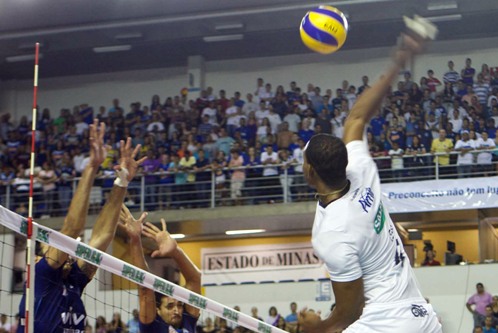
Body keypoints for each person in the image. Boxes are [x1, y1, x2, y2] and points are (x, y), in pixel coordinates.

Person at [297, 32, 442, 333]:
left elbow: (348, 314)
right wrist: (398, 62)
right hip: (422, 318)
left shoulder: (332, 232)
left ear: (310, 173)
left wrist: (317, 328)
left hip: (385, 324)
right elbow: (357, 118)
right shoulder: (361, 167)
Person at [17, 120, 146, 333]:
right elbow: (72, 231)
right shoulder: (40, 275)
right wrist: (92, 166)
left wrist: (122, 181)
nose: (68, 255)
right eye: (58, 249)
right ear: (37, 258)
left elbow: (101, 239)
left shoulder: (75, 280)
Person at [119, 205, 201, 333]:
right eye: (169, 306)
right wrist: (135, 239)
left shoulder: (188, 321)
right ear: (158, 310)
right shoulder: (152, 326)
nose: (176, 310)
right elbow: (144, 287)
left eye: (179, 305)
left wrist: (176, 252)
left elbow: (195, 279)